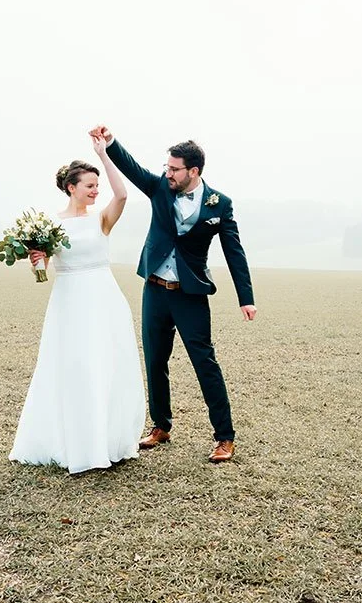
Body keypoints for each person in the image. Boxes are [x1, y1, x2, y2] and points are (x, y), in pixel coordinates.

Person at [89, 125, 256, 464]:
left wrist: (246, 297)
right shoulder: (159, 189)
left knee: (204, 362)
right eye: (166, 167)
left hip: (190, 294)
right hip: (155, 290)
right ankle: (161, 426)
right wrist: (110, 144)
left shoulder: (219, 204)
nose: (168, 173)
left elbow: (234, 252)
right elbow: (133, 169)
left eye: (175, 169)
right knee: (154, 360)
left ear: (193, 171)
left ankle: (225, 437)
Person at [9, 136, 145, 474]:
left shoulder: (101, 220)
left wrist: (103, 154)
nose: (96, 191)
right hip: (69, 303)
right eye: (89, 185)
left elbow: (123, 194)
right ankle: (75, 444)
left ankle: (106, 441)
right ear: (71, 188)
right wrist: (37, 260)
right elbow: (41, 270)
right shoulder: (50, 225)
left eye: (97, 185)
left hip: (103, 300)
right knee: (74, 366)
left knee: (105, 366)